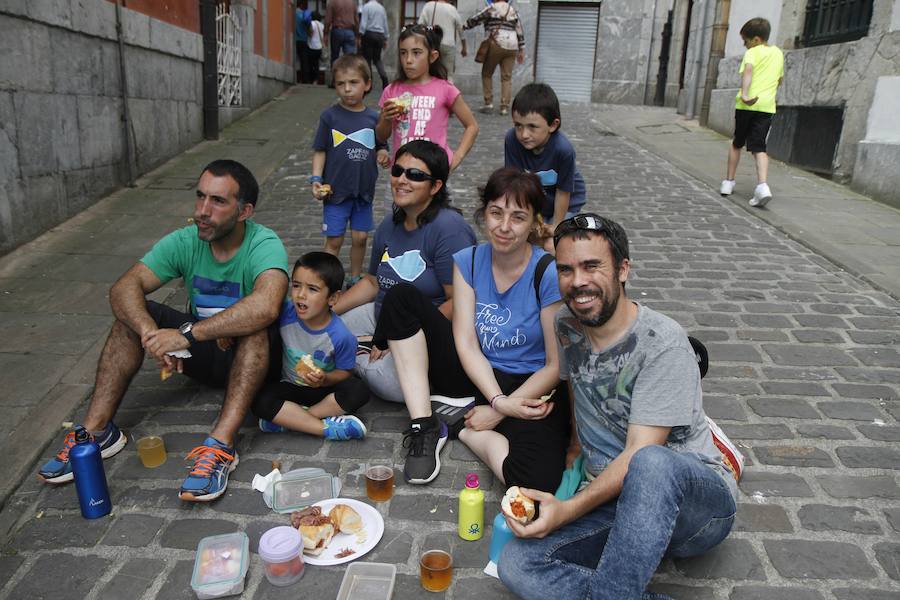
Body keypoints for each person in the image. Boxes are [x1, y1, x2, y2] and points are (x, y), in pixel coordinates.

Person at [498, 214, 739, 600]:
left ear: (623, 269)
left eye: (592, 266)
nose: (578, 282)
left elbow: (641, 456)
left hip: (695, 511)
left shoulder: (663, 344)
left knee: (650, 462)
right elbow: (578, 382)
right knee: (516, 564)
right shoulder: (567, 324)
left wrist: (568, 509)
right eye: (566, 269)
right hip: (616, 500)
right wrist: (575, 445)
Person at [38, 160, 289, 502]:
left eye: (217, 201)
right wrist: (150, 335)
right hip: (206, 352)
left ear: (244, 211)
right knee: (130, 315)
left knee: (256, 327)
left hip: (255, 360)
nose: (202, 210)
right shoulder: (186, 240)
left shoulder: (264, 243)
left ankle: (221, 446)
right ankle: (97, 433)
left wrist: (185, 336)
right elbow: (125, 287)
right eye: (200, 197)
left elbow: (267, 305)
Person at [374, 167, 570, 488]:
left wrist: (502, 411)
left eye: (518, 217)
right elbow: (465, 343)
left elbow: (555, 366)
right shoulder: (469, 260)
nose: (504, 227)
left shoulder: (548, 273)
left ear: (535, 222)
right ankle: (425, 425)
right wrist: (496, 400)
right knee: (402, 297)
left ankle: (458, 427)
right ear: (484, 213)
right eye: (496, 213)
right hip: (474, 373)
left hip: (529, 384)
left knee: (537, 481)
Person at [334, 140, 476, 410]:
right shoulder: (390, 223)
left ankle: (352, 352)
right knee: (315, 333)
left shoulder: (449, 229)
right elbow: (373, 281)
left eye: (415, 175)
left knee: (390, 385)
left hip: (424, 330)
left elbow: (459, 302)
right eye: (398, 171)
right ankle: (356, 349)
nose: (401, 180)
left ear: (435, 186)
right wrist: (328, 312)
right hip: (378, 314)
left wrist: (395, 337)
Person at [252, 252, 368, 440]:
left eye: (312, 289)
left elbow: (345, 371)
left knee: (358, 391)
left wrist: (325, 379)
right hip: (289, 385)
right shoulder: (284, 312)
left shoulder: (341, 336)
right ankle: (324, 428)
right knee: (257, 399)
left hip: (322, 392)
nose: (301, 295)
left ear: (332, 298)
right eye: (296, 285)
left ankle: (291, 419)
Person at [311, 54, 389, 287]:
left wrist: (383, 154)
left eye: (353, 83)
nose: (347, 89)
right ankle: (325, 280)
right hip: (336, 191)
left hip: (363, 192)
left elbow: (381, 143)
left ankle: (355, 276)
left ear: (367, 84)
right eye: (340, 84)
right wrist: (316, 179)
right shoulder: (329, 116)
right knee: (334, 240)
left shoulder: (374, 117)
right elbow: (320, 150)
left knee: (360, 238)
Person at [376, 24, 478, 172]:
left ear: (432, 56)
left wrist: (455, 158)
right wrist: (386, 118)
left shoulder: (445, 89)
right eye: (403, 53)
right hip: (402, 171)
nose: (408, 60)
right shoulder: (391, 91)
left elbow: (472, 126)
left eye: (416, 53)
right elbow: (382, 135)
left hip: (434, 170)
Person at [505, 83, 586, 251]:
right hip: (535, 201)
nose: (523, 134)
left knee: (553, 245)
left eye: (532, 127)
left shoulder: (563, 150)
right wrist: (532, 218)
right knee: (519, 239)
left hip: (564, 203)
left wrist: (557, 225)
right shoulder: (512, 140)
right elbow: (514, 184)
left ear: (553, 125)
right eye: (518, 125)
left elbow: (563, 192)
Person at [719, 18, 784, 208]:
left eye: (745, 41)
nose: (744, 45)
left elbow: (748, 72)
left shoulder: (752, 53)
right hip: (766, 106)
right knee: (759, 148)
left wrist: (746, 94)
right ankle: (763, 186)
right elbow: (780, 80)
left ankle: (729, 182)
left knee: (737, 142)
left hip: (747, 105)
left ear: (755, 40)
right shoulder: (778, 53)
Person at [464, 0, 525, 115]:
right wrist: (521, 49)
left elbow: (476, 19)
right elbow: (519, 30)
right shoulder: (513, 11)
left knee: (487, 73)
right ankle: (504, 107)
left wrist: (464, 26)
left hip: (496, 43)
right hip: (512, 46)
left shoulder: (492, 8)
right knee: (506, 77)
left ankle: (488, 103)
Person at [418, 0, 467, 84]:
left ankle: (433, 93)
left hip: (433, 43)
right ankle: (449, 95)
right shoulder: (452, 9)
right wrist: (464, 47)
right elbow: (460, 29)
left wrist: (431, 28)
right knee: (448, 75)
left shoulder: (428, 6)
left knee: (431, 72)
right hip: (449, 44)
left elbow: (420, 25)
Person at [360, 0, 389, 89]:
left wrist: (360, 34)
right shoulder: (382, 8)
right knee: (377, 59)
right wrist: (386, 37)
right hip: (380, 35)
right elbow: (385, 24)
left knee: (367, 59)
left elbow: (363, 23)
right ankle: (384, 78)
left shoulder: (366, 7)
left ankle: (369, 81)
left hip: (369, 34)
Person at [325, 0, 359, 74]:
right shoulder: (352, 3)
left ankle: (335, 79)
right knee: (350, 58)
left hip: (337, 30)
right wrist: (357, 35)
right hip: (350, 31)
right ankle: (349, 78)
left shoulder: (332, 2)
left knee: (335, 57)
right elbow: (356, 20)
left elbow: (328, 20)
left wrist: (326, 34)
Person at [295, 2, 313, 83]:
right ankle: (305, 80)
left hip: (295, 40)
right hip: (303, 40)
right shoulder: (305, 15)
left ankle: (295, 78)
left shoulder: (293, 13)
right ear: (302, 5)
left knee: (295, 61)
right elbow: (310, 30)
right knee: (304, 61)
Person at [307, 12, 325, 84]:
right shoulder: (322, 25)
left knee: (311, 64)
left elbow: (310, 33)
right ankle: (316, 80)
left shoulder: (312, 23)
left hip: (312, 46)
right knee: (316, 64)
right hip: (319, 47)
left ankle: (311, 79)